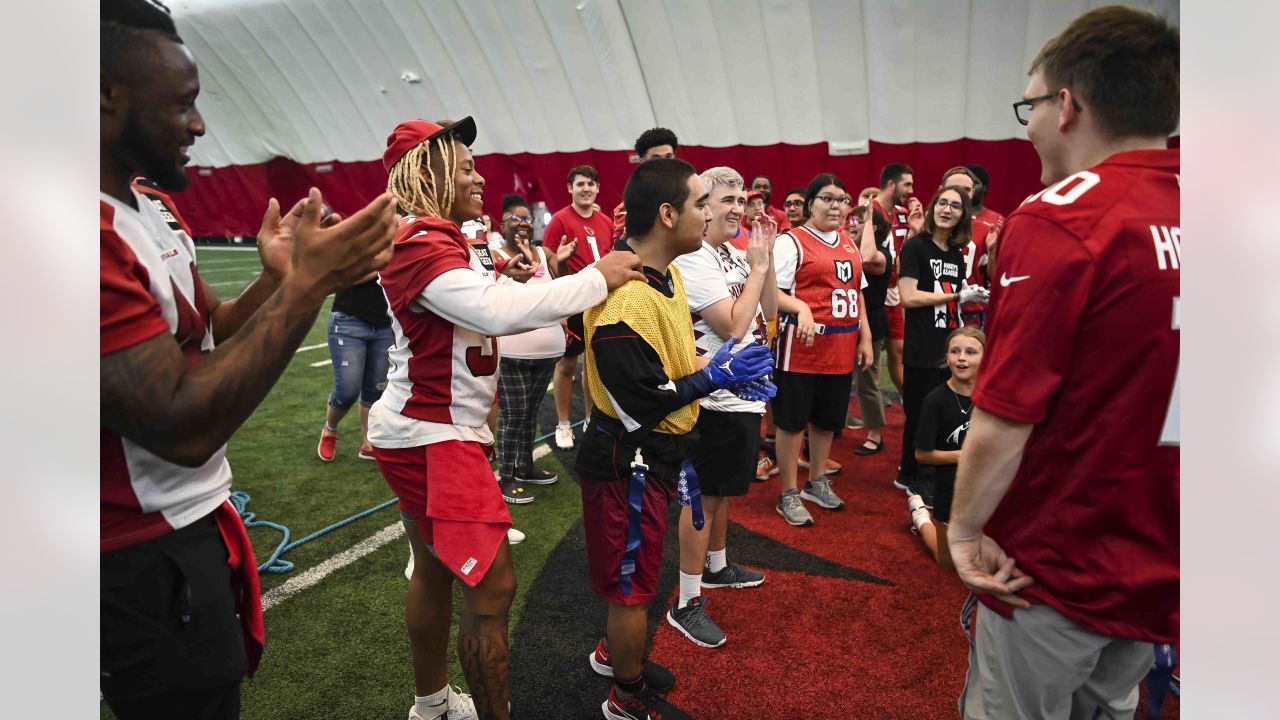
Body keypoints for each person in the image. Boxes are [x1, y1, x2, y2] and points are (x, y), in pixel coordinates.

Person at [100, 3, 398, 718]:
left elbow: (214, 335)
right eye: (183, 103)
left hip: (188, 524)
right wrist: (308, 287)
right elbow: (179, 425)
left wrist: (275, 277)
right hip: (134, 550)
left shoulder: (150, 209)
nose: (199, 126)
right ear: (105, 97)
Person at [372, 116, 644, 720]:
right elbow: (493, 314)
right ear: (428, 171)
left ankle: (432, 705)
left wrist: (503, 275)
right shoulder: (419, 239)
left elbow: (471, 303)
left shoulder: (437, 237)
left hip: (428, 428)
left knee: (436, 573)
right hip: (432, 434)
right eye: (465, 166)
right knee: (492, 586)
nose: (479, 176)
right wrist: (593, 279)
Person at [949, 7, 1179, 718]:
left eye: (1031, 105)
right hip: (1166, 558)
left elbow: (1004, 419)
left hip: (1055, 560)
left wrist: (961, 531)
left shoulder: (1061, 217)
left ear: (1067, 105)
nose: (1027, 125)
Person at [577, 158, 774, 720]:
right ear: (668, 215)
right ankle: (625, 694)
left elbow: (672, 360)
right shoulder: (627, 296)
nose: (710, 212)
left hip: (654, 453)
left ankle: (614, 657)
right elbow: (642, 399)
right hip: (629, 458)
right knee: (633, 587)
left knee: (636, 574)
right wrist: (714, 376)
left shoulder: (669, 272)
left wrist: (716, 363)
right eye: (698, 203)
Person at [668, 167, 777, 648]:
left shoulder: (731, 254)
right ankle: (686, 602)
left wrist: (765, 261)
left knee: (723, 492)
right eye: (728, 199)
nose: (739, 207)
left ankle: (716, 566)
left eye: (742, 198)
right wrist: (755, 269)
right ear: (703, 207)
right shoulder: (693, 259)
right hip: (710, 394)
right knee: (701, 496)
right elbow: (734, 325)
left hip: (742, 394)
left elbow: (768, 312)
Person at [772, 174, 873, 526]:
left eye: (842, 199)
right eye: (828, 199)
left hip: (840, 348)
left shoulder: (848, 242)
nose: (836, 206)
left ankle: (816, 481)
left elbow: (857, 293)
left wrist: (866, 338)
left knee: (827, 420)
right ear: (810, 203)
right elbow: (774, 293)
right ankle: (788, 491)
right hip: (801, 349)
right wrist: (801, 308)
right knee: (791, 421)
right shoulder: (791, 242)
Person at [896, 184, 988, 504]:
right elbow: (907, 297)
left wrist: (965, 304)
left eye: (955, 206)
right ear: (934, 206)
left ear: (964, 215)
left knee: (942, 413)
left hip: (948, 345)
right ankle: (910, 475)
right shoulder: (916, 247)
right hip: (922, 346)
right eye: (942, 203)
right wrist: (955, 295)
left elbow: (953, 304)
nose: (946, 210)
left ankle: (932, 472)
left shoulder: (955, 254)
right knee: (919, 413)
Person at [491, 194, 577, 499]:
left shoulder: (544, 253)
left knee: (530, 413)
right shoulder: (493, 252)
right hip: (512, 352)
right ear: (501, 224)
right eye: (515, 218)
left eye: (528, 219)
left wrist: (562, 264)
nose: (523, 224)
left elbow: (559, 289)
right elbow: (492, 294)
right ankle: (504, 476)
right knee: (513, 414)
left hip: (547, 352)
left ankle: (525, 466)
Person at [543, 165, 615, 450]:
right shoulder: (560, 220)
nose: (586, 188)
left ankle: (589, 419)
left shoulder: (606, 221)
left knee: (594, 365)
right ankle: (563, 423)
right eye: (581, 184)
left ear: (597, 188)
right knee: (566, 364)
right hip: (572, 303)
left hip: (600, 302)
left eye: (591, 184)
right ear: (570, 188)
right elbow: (549, 259)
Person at [316, 219, 395, 462]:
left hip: (383, 325)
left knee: (376, 388)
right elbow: (345, 278)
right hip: (350, 322)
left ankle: (368, 442)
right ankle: (329, 429)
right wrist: (384, 263)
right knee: (347, 390)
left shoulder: (396, 246)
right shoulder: (355, 249)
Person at [908, 327, 985, 568]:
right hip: (949, 487)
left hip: (986, 488)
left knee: (984, 559)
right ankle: (921, 516)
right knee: (948, 563)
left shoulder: (993, 397)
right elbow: (921, 454)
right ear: (947, 357)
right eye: (955, 351)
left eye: (971, 352)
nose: (962, 357)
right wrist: (963, 456)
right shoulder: (935, 400)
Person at [871, 163, 914, 420]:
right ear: (890, 183)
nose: (911, 189)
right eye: (907, 184)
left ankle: (911, 405)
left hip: (894, 292)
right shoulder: (868, 211)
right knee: (869, 362)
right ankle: (870, 422)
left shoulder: (903, 213)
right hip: (873, 294)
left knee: (898, 352)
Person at [849, 204, 892, 455]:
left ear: (873, 228)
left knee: (867, 382)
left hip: (872, 324)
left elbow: (866, 257)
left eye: (859, 221)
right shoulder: (847, 248)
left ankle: (875, 434)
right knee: (840, 379)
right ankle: (835, 424)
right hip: (847, 323)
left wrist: (868, 221)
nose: (852, 224)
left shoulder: (883, 254)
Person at [938, 166, 1000, 328]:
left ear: (973, 192)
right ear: (941, 190)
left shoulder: (985, 229)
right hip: (935, 309)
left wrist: (992, 252)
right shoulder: (927, 227)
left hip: (970, 313)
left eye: (966, 189)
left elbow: (994, 277)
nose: (961, 193)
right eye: (955, 188)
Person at [612, 127, 680, 241]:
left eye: (668, 157)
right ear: (643, 163)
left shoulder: (689, 195)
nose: (664, 164)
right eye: (656, 158)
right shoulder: (628, 207)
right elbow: (622, 250)